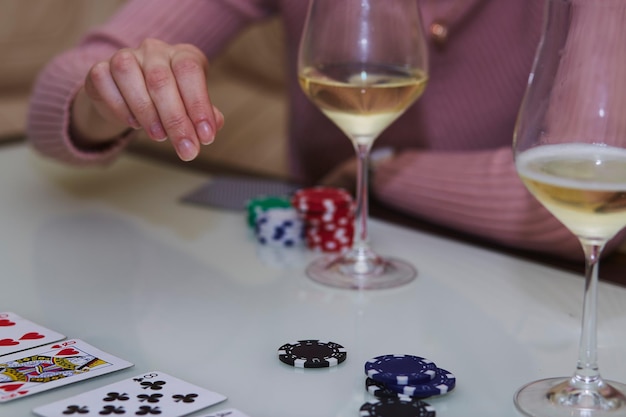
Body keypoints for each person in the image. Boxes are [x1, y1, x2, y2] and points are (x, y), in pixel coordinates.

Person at [26, 0, 615, 261]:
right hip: (314, 276)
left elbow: (596, 185)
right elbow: (55, 101)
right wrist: (109, 95)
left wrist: (383, 172)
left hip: (522, 285)